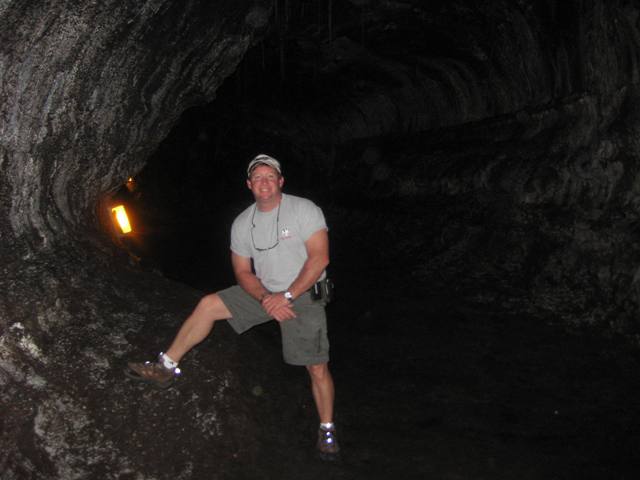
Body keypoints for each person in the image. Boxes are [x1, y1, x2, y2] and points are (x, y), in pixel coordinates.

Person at [125, 154, 339, 459]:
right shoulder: (242, 223)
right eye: (258, 178)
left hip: (302, 294)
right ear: (249, 184)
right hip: (264, 292)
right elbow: (242, 273)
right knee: (209, 304)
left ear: (280, 181)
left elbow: (319, 258)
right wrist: (266, 298)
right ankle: (166, 367)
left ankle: (327, 428)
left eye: (270, 176)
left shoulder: (304, 209)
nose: (264, 183)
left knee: (316, 366)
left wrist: (287, 297)